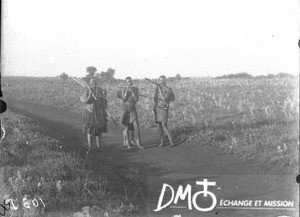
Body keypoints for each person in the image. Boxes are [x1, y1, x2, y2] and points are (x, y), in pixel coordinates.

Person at [80, 78, 108, 152]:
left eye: (95, 81)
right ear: (89, 82)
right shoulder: (87, 90)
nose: (94, 82)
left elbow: (103, 100)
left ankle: (98, 147)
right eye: (92, 81)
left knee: (98, 130)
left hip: (98, 113)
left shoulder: (99, 90)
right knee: (90, 130)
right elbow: (84, 101)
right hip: (89, 112)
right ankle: (90, 147)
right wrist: (89, 96)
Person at [120, 77, 143, 149]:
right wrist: (127, 91)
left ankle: (138, 141)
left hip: (133, 108)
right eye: (127, 82)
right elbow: (123, 100)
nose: (129, 83)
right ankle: (127, 142)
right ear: (126, 82)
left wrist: (133, 93)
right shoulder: (124, 88)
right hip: (125, 108)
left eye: (130, 82)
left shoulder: (135, 88)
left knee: (136, 126)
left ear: (132, 82)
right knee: (126, 127)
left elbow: (136, 100)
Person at [153, 75, 175, 147]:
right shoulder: (159, 88)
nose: (161, 82)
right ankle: (162, 142)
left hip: (164, 109)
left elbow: (164, 99)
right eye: (160, 81)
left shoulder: (168, 89)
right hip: (158, 108)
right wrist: (156, 90)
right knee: (160, 127)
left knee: (164, 126)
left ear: (165, 81)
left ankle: (172, 142)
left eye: (162, 81)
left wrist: (159, 90)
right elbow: (155, 98)